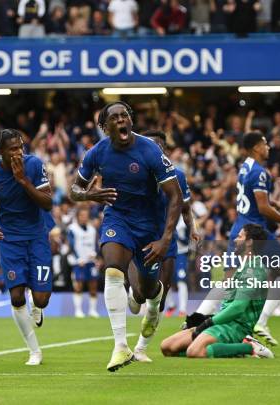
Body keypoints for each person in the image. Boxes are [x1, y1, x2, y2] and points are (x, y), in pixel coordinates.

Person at [70, 102, 183, 372]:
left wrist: (165, 239)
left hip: (150, 227)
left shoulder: (149, 150)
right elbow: (75, 189)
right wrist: (88, 195)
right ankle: (120, 346)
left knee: (146, 291)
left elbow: (175, 195)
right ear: (104, 127)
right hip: (118, 218)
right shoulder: (96, 153)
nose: (122, 120)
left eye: (125, 116)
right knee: (112, 270)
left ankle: (153, 301)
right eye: (115, 117)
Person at [190, 132, 280, 346]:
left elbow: (254, 197)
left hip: (240, 228)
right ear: (256, 147)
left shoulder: (245, 167)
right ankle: (260, 322)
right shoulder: (260, 172)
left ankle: (195, 320)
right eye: (264, 144)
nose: (268, 147)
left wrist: (277, 204)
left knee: (230, 280)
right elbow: (262, 207)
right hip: (255, 232)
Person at [0, 128, 53, 366]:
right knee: (17, 296)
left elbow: (48, 203)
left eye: (21, 147)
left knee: (41, 299)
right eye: (13, 149)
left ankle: (38, 307)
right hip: (10, 239)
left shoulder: (34, 165)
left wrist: (23, 181)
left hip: (37, 235)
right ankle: (34, 351)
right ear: (0, 152)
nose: (19, 152)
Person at [128, 129, 200, 362]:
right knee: (140, 296)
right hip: (140, 236)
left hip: (166, 240)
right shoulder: (136, 173)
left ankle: (140, 348)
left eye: (158, 147)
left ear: (164, 152)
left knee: (161, 294)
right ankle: (133, 289)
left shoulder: (176, 175)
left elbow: (186, 208)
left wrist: (193, 229)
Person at [160, 224, 274, 359]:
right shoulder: (242, 268)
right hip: (222, 322)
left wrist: (207, 323)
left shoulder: (254, 270)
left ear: (249, 242)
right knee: (167, 347)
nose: (235, 240)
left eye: (240, 236)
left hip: (236, 328)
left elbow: (238, 307)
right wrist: (204, 319)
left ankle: (249, 347)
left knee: (194, 352)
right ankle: (226, 349)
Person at [67, 207, 100, 318]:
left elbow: (95, 244)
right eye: (82, 215)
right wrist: (78, 258)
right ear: (78, 216)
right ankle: (78, 310)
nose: (84, 217)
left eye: (86, 215)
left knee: (93, 285)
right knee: (78, 285)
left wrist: (95, 254)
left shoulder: (92, 229)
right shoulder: (72, 229)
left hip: (90, 261)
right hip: (79, 262)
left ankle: (92, 310)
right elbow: (71, 245)